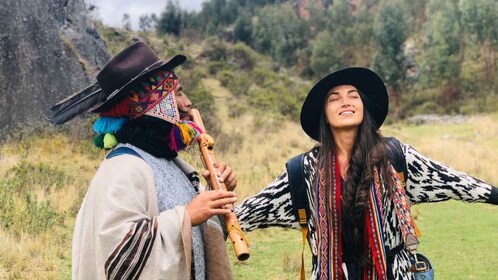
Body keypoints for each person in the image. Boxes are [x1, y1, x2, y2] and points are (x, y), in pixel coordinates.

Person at [235, 67, 498, 280]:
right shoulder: (301, 171)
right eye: (334, 98)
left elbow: (455, 182)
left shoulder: (395, 157)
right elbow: (242, 216)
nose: (345, 102)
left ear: (363, 107)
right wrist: (200, 215)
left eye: (353, 95)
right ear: (324, 115)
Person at [50, 42, 237, 280]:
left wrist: (216, 198)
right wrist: (187, 216)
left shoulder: (170, 163)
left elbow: (198, 242)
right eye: (177, 93)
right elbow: (119, 258)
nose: (187, 104)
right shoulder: (123, 168)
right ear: (153, 104)